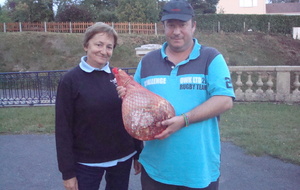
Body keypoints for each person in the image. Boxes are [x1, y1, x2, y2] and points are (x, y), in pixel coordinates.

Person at [118, 0, 235, 189]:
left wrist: (184, 120)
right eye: (171, 25)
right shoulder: (148, 62)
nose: (177, 31)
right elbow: (137, 107)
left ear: (193, 26)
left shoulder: (211, 58)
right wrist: (126, 94)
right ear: (163, 27)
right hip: (155, 170)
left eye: (182, 25)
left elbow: (224, 100)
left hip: (198, 171)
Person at [55, 22, 143, 190]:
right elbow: (63, 128)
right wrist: (67, 173)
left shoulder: (120, 77)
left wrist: (138, 153)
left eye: (109, 47)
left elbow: (132, 116)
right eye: (99, 44)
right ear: (86, 45)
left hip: (122, 158)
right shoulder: (70, 80)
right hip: (87, 163)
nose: (104, 51)